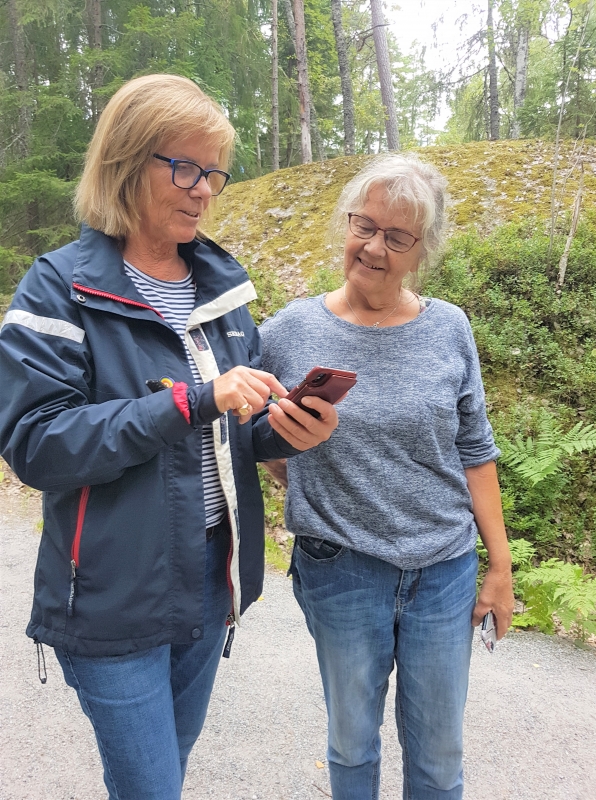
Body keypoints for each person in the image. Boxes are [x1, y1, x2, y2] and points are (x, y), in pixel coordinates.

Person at [0, 74, 339, 800]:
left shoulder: (221, 291)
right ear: (125, 162)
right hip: (111, 593)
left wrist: (286, 433)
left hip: (209, 579)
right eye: (184, 168)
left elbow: (231, 436)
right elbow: (37, 444)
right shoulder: (58, 287)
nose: (203, 190)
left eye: (214, 172)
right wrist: (189, 402)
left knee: (163, 779)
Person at [259, 153, 514, 800]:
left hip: (443, 571)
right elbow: (252, 428)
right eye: (364, 225)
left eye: (397, 237)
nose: (373, 247)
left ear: (423, 250)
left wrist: (500, 566)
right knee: (351, 746)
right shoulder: (289, 330)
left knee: (438, 757)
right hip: (339, 569)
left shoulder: (449, 328)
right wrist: (290, 469)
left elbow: (475, 450)